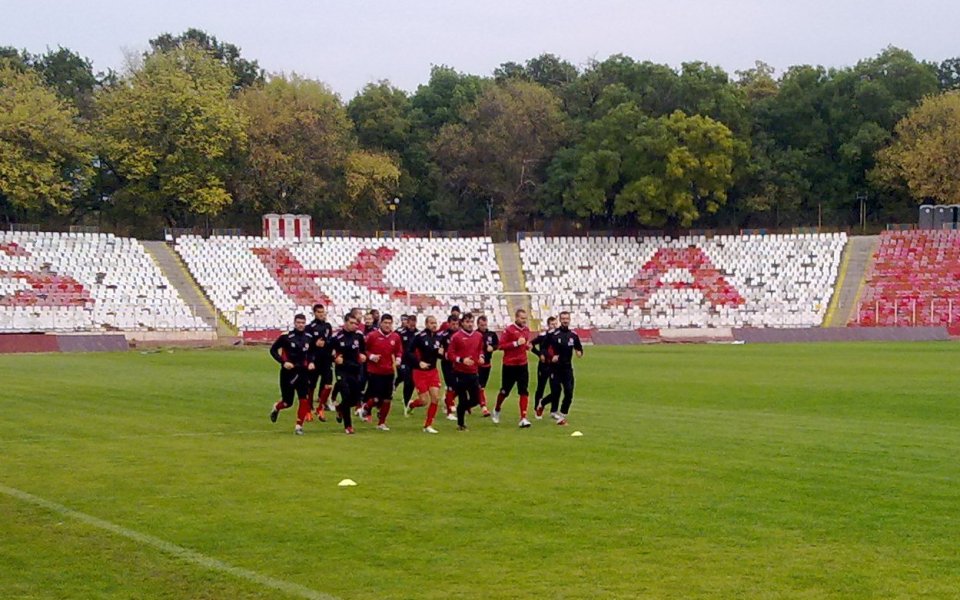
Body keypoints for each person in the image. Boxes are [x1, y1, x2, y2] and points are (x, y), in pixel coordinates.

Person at [268, 314, 316, 435]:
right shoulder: (286, 337)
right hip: (288, 373)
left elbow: (312, 352)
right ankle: (277, 407)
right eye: (298, 322)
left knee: (304, 399)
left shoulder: (309, 337)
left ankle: (299, 426)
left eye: (303, 323)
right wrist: (283, 362)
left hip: (303, 372)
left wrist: (311, 362)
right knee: (287, 402)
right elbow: (273, 350)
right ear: (294, 323)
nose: (301, 325)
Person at [360, 314, 403, 431]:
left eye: (390, 323)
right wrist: (371, 356)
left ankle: (381, 423)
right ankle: (366, 407)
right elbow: (363, 349)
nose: (387, 325)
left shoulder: (395, 337)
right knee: (376, 398)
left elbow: (398, 350)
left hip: (389, 371)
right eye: (385, 323)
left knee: (387, 398)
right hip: (374, 371)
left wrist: (398, 358)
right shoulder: (372, 336)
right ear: (380, 323)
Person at [404, 315, 444, 433]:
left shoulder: (438, 337)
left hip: (433, 372)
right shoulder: (419, 337)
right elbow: (408, 352)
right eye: (431, 323)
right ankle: (412, 404)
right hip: (420, 372)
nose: (434, 325)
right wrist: (418, 362)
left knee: (435, 398)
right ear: (426, 324)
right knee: (424, 401)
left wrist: (441, 354)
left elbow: (437, 354)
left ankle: (428, 425)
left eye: (435, 323)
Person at [446, 312, 486, 430]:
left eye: (471, 322)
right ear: (462, 323)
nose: (470, 324)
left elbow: (480, 350)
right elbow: (450, 354)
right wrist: (462, 360)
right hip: (459, 372)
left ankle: (461, 408)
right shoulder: (456, 337)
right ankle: (461, 424)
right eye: (467, 322)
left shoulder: (478, 336)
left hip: (473, 372)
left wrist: (481, 357)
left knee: (476, 399)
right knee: (462, 398)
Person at [495, 309, 533, 428]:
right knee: (505, 391)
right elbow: (500, 346)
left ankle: (523, 418)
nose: (524, 321)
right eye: (522, 318)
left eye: (525, 318)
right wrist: (516, 343)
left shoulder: (526, 330)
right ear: (516, 318)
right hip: (509, 365)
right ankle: (497, 409)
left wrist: (527, 346)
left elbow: (524, 344)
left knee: (524, 391)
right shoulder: (509, 330)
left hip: (522, 364)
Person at [330, 313, 367, 434]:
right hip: (342, 370)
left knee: (355, 399)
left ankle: (340, 408)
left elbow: (362, 351)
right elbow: (327, 353)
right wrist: (334, 358)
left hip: (355, 369)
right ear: (345, 322)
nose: (354, 326)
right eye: (351, 323)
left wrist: (363, 356)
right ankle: (348, 426)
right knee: (346, 395)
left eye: (356, 323)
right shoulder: (336, 337)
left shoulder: (358, 336)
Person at [545, 311, 584, 426]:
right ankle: (547, 407)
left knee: (569, 392)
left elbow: (579, 348)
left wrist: (579, 353)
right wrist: (551, 357)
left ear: (569, 319)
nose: (565, 320)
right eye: (563, 318)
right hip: (555, 368)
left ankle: (562, 415)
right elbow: (543, 349)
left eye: (567, 318)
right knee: (556, 392)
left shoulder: (573, 335)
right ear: (560, 320)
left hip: (567, 368)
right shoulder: (553, 334)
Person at [305, 303, 334, 421]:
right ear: (315, 313)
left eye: (323, 312)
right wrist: (314, 344)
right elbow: (306, 344)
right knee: (311, 384)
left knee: (327, 384)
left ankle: (320, 407)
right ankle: (308, 408)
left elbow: (330, 340)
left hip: (326, 359)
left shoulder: (328, 326)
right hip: (314, 359)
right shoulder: (310, 327)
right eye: (319, 312)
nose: (322, 314)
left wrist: (330, 348)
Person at [531, 316, 558, 419]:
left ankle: (553, 410)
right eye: (552, 324)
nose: (554, 326)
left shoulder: (559, 336)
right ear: (548, 325)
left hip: (555, 365)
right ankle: (537, 409)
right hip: (544, 365)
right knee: (541, 387)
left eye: (555, 324)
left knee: (555, 388)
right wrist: (539, 354)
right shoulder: (543, 336)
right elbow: (531, 344)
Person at [436, 314, 461, 420]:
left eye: (456, 324)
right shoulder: (444, 335)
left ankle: (448, 401)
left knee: (460, 386)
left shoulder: (461, 334)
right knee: (451, 385)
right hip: (447, 364)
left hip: (459, 364)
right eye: (453, 324)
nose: (455, 326)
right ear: (448, 324)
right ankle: (449, 412)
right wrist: (445, 354)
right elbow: (438, 350)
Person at [395, 314, 418, 408]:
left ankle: (407, 399)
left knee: (412, 382)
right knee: (406, 380)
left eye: (414, 325)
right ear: (407, 323)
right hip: (403, 361)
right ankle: (406, 402)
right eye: (410, 325)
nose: (412, 327)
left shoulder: (418, 334)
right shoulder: (400, 333)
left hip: (414, 362)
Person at [476, 315, 497, 417]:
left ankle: (453, 399)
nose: (483, 327)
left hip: (487, 364)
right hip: (476, 365)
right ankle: (484, 407)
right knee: (479, 387)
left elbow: (498, 345)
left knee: (481, 386)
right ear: (478, 325)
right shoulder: (475, 334)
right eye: (481, 325)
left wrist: (492, 347)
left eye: (485, 325)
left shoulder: (491, 334)